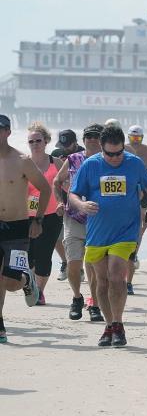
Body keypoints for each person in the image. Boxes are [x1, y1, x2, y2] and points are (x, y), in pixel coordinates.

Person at [69, 125, 147, 347]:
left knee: (116, 276)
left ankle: (118, 324)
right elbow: (72, 193)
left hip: (126, 231)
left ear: (123, 147)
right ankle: (109, 325)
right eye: (109, 154)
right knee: (101, 282)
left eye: (118, 152)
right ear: (101, 148)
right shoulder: (90, 165)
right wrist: (81, 204)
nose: (114, 158)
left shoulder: (134, 163)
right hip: (97, 232)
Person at [0, 114, 52, 343]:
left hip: (18, 227)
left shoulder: (21, 160)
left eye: (0, 129)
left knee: (10, 283)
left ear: (8, 132)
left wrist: (37, 220)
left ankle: (26, 279)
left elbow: (45, 188)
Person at [53, 124, 104, 322]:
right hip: (73, 217)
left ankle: (95, 304)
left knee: (92, 265)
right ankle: (77, 297)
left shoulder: (108, 161)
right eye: (88, 136)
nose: (92, 139)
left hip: (98, 220)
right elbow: (57, 181)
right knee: (73, 265)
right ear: (83, 140)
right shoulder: (74, 159)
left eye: (96, 136)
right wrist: (59, 201)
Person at [25, 123, 64, 304]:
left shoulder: (55, 163)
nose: (35, 144)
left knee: (44, 254)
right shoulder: (23, 162)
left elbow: (70, 186)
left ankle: (39, 291)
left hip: (52, 215)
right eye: (31, 141)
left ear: (46, 141)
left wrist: (68, 204)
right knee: (27, 255)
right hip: (27, 215)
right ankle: (32, 284)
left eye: (38, 140)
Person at [124, 124, 147, 294]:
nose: (135, 141)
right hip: (128, 192)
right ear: (128, 137)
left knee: (141, 228)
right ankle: (132, 253)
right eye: (133, 137)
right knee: (133, 227)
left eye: (138, 138)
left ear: (143, 138)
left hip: (144, 191)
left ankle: (134, 252)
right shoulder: (123, 149)